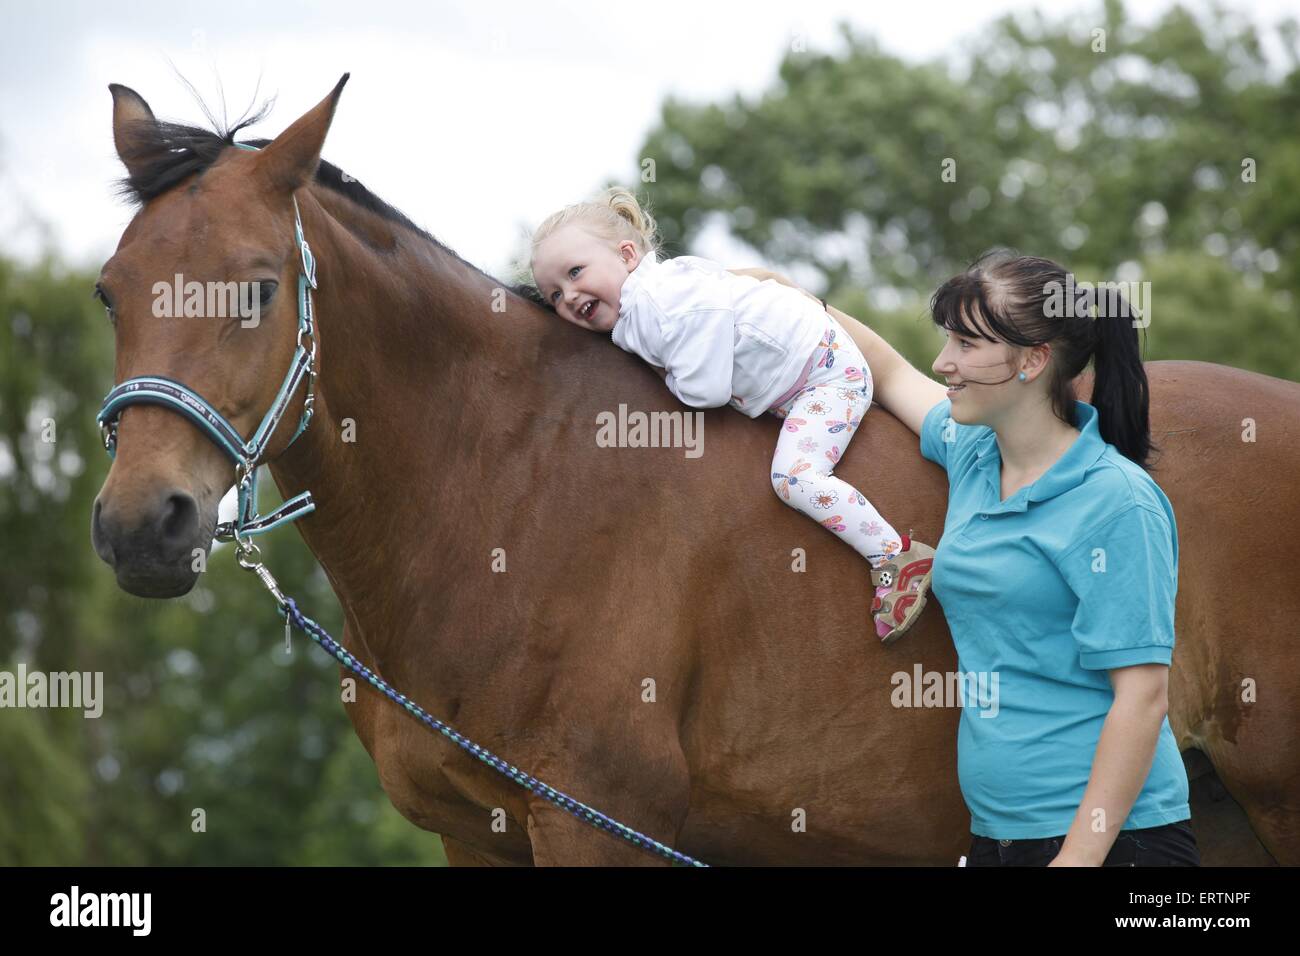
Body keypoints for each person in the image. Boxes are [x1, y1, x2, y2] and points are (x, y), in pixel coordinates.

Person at [780, 249, 1198, 866]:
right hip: (1000, 835)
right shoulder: (974, 452)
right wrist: (794, 301)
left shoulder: (1117, 502)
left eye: (966, 344)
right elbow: (892, 373)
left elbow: (1142, 699)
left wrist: (1076, 861)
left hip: (1116, 845)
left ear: (1033, 361)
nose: (943, 362)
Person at [529, 187, 936, 642]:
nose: (568, 295)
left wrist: (663, 376)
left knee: (795, 478)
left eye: (576, 272)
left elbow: (704, 390)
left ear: (627, 255)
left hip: (825, 374)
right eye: (554, 294)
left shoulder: (661, 304)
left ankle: (894, 556)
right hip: (797, 372)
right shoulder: (642, 306)